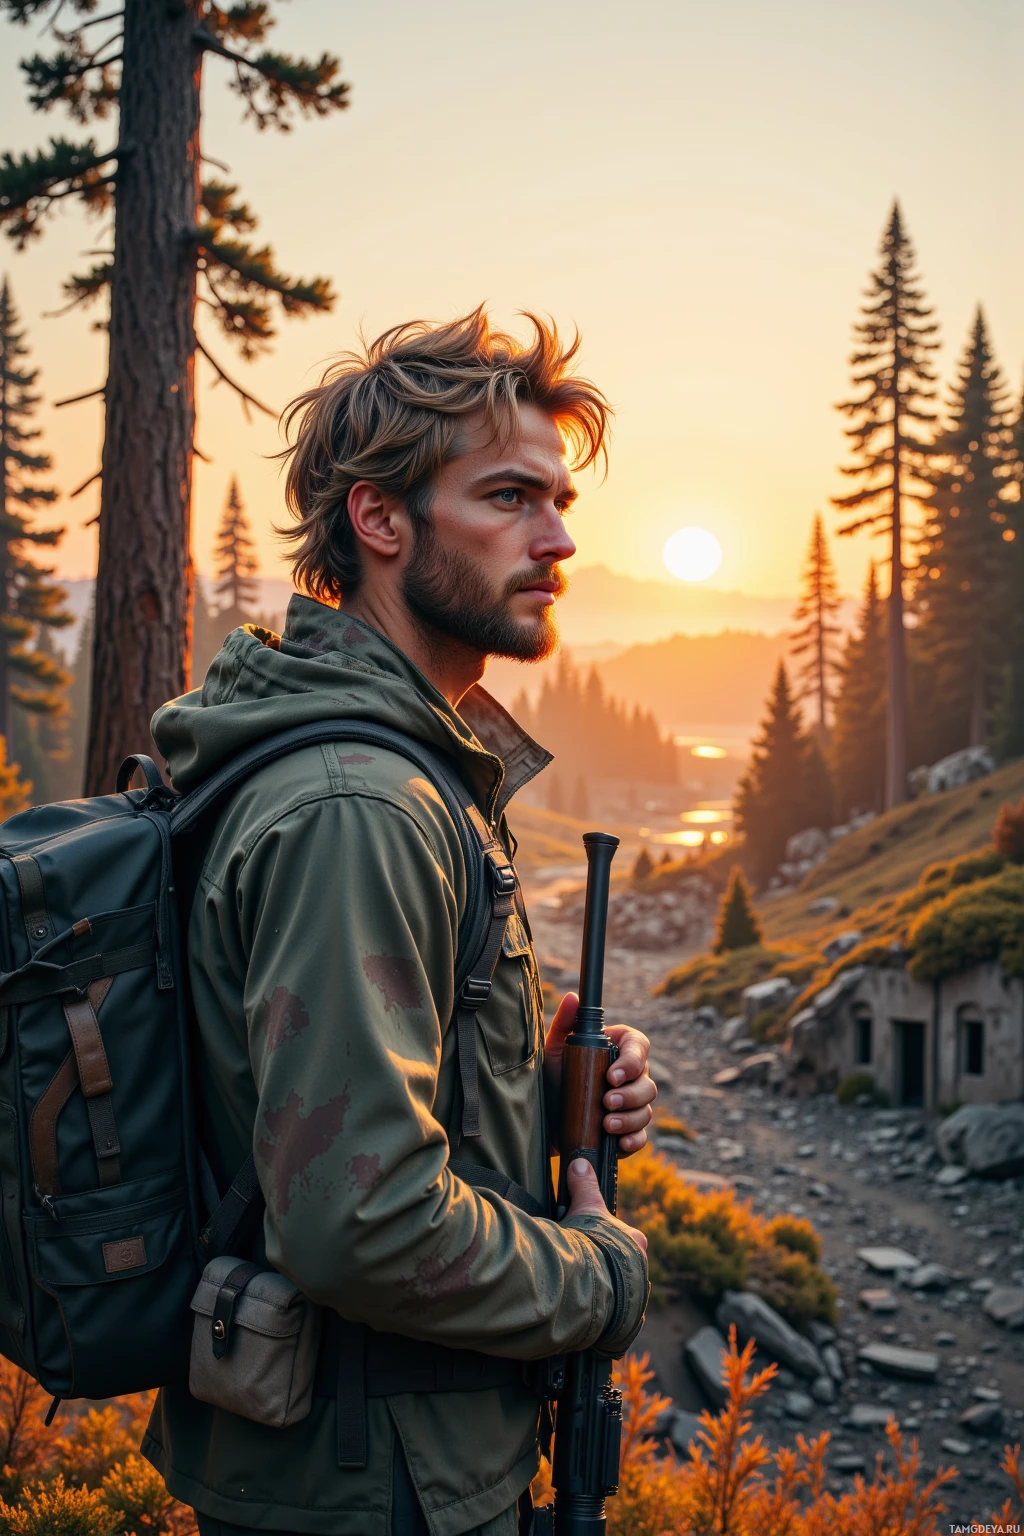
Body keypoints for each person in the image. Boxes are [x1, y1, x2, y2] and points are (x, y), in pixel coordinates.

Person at [143, 309, 655, 1536]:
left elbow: (321, 1107)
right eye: (511, 498)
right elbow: (359, 1226)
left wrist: (537, 1084)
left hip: (375, 1464)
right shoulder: (357, 806)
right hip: (369, 1484)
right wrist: (601, 1276)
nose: (559, 538)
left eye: (561, 499)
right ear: (381, 519)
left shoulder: (396, 770)